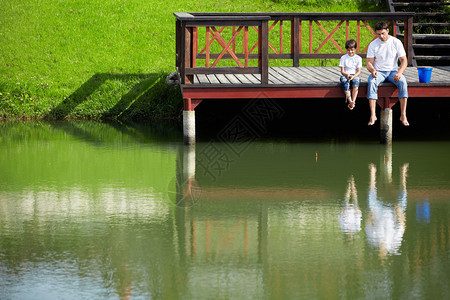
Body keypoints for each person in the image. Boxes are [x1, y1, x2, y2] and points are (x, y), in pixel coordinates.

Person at [366, 22, 409, 126]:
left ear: (388, 31)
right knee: (371, 81)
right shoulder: (373, 44)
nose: (381, 36)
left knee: (403, 81)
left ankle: (403, 115)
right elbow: (368, 63)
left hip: (393, 71)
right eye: (378, 34)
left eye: (383, 33)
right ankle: (373, 115)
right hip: (379, 72)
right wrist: (373, 70)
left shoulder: (396, 42)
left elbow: (404, 61)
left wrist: (399, 73)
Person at [339, 39, 362, 110]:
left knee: (356, 82)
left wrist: (353, 76)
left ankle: (353, 101)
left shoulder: (358, 58)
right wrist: (347, 75)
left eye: (352, 50)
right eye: (348, 50)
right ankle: (350, 101)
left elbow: (358, 71)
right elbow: (342, 71)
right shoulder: (343, 58)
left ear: (355, 49)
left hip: (354, 74)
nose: (350, 52)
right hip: (346, 74)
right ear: (346, 50)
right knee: (345, 82)